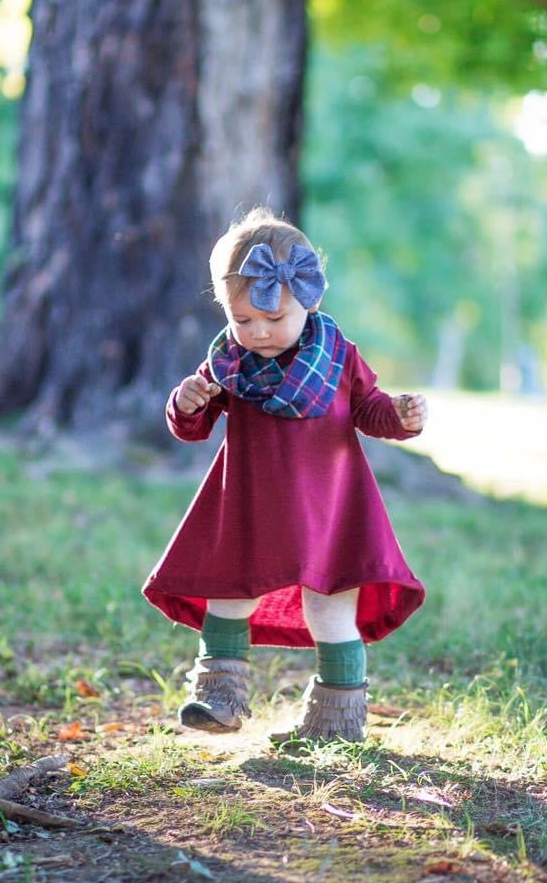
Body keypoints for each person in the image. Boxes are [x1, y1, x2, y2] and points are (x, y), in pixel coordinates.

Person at [142, 206, 428, 745]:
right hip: (249, 503)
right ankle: (219, 697)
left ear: (309, 299)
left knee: (330, 606)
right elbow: (192, 427)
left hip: (329, 507)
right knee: (229, 594)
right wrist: (186, 400)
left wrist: (399, 415)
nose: (258, 331)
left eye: (274, 319)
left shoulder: (338, 355)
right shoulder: (227, 364)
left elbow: (367, 410)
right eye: (243, 319)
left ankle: (336, 724)